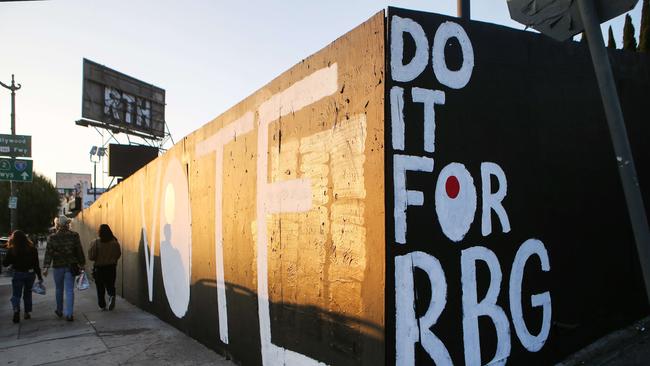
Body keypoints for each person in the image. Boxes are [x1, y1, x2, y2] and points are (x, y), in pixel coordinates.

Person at [43, 215, 85, 321]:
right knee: (69, 290)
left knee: (59, 289)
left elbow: (49, 253)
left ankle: (59, 310)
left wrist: (46, 267)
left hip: (58, 267)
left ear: (57, 225)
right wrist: (82, 263)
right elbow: (79, 250)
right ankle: (69, 314)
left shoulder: (52, 237)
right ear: (67, 224)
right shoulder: (74, 235)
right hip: (71, 266)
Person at [2, 230, 43, 323]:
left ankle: (16, 310)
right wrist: (39, 276)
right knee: (27, 294)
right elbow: (36, 264)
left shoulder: (12, 249)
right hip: (30, 274)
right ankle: (27, 312)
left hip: (18, 274)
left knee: (16, 294)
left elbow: (5, 263)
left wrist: (12, 262)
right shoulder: (32, 249)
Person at [88, 224, 121, 311]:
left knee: (100, 287)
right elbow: (118, 254)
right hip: (111, 267)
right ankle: (111, 295)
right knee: (110, 284)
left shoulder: (95, 242)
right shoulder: (114, 242)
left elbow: (91, 257)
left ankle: (102, 305)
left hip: (99, 268)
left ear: (99, 232)